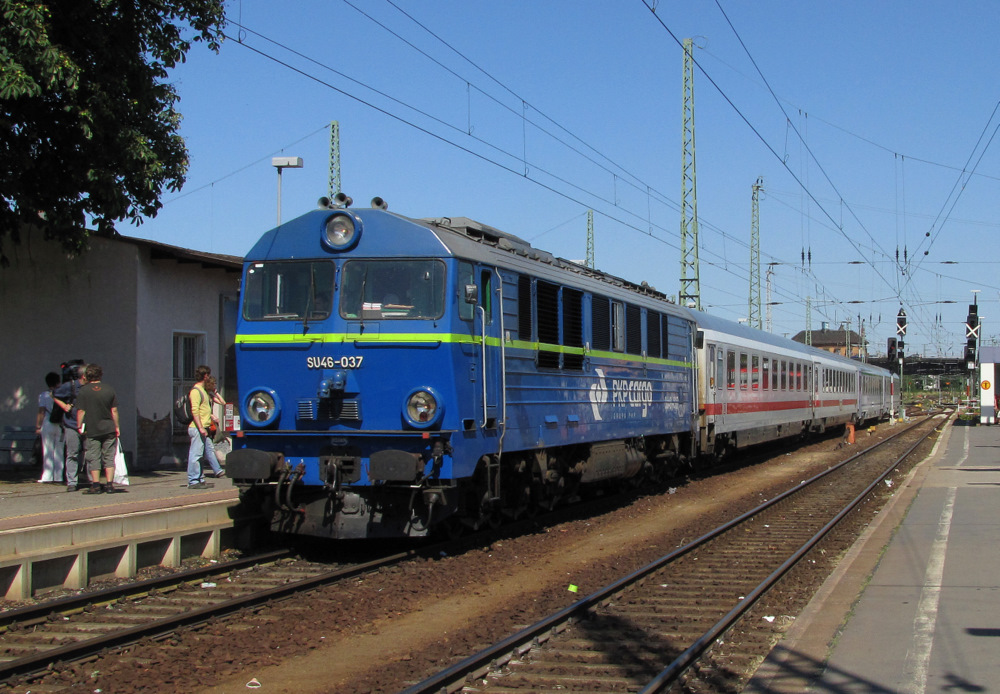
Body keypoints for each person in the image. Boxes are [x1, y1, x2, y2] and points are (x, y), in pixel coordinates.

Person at [75, 364, 121, 494]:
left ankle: (95, 484)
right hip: (108, 428)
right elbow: (114, 410)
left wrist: (79, 426)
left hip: (92, 429)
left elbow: (81, 411)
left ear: (87, 376)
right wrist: (116, 426)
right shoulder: (109, 390)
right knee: (109, 457)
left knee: (93, 457)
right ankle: (110, 484)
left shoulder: (84, 391)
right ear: (100, 375)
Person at [187, 365, 224, 489]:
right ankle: (193, 481)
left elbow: (223, 403)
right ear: (205, 376)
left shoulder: (204, 391)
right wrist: (201, 427)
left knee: (205, 452)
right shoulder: (196, 391)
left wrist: (215, 392)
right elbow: (195, 411)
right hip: (198, 428)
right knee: (195, 454)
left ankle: (200, 479)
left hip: (205, 428)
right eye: (208, 375)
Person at [53, 364, 86, 491]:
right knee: (72, 453)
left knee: (89, 453)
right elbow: (54, 394)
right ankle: (72, 481)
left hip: (87, 424)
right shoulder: (70, 386)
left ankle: (90, 479)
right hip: (71, 424)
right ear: (83, 376)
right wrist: (64, 406)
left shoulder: (91, 387)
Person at [35, 372, 65, 483]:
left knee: (48, 450)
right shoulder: (63, 394)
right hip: (61, 424)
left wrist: (38, 426)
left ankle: (47, 476)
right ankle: (59, 476)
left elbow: (41, 411)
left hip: (48, 423)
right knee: (59, 451)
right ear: (58, 382)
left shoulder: (44, 395)